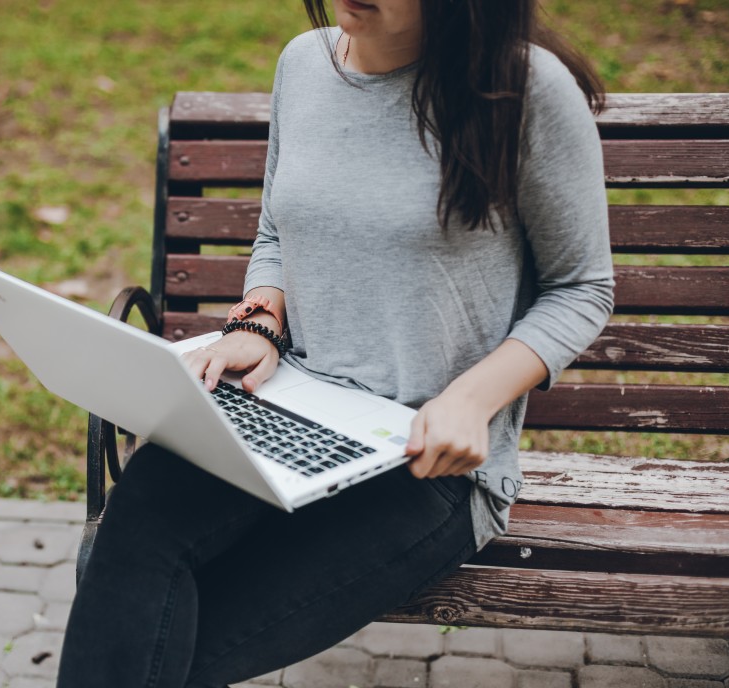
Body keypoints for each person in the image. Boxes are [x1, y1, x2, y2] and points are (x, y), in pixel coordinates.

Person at [56, 0, 614, 685]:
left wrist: (471, 398)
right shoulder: (304, 64)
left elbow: (582, 288)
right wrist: (260, 321)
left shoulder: (526, 91)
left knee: (160, 648)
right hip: (289, 407)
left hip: (424, 461)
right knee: (135, 540)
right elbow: (277, 232)